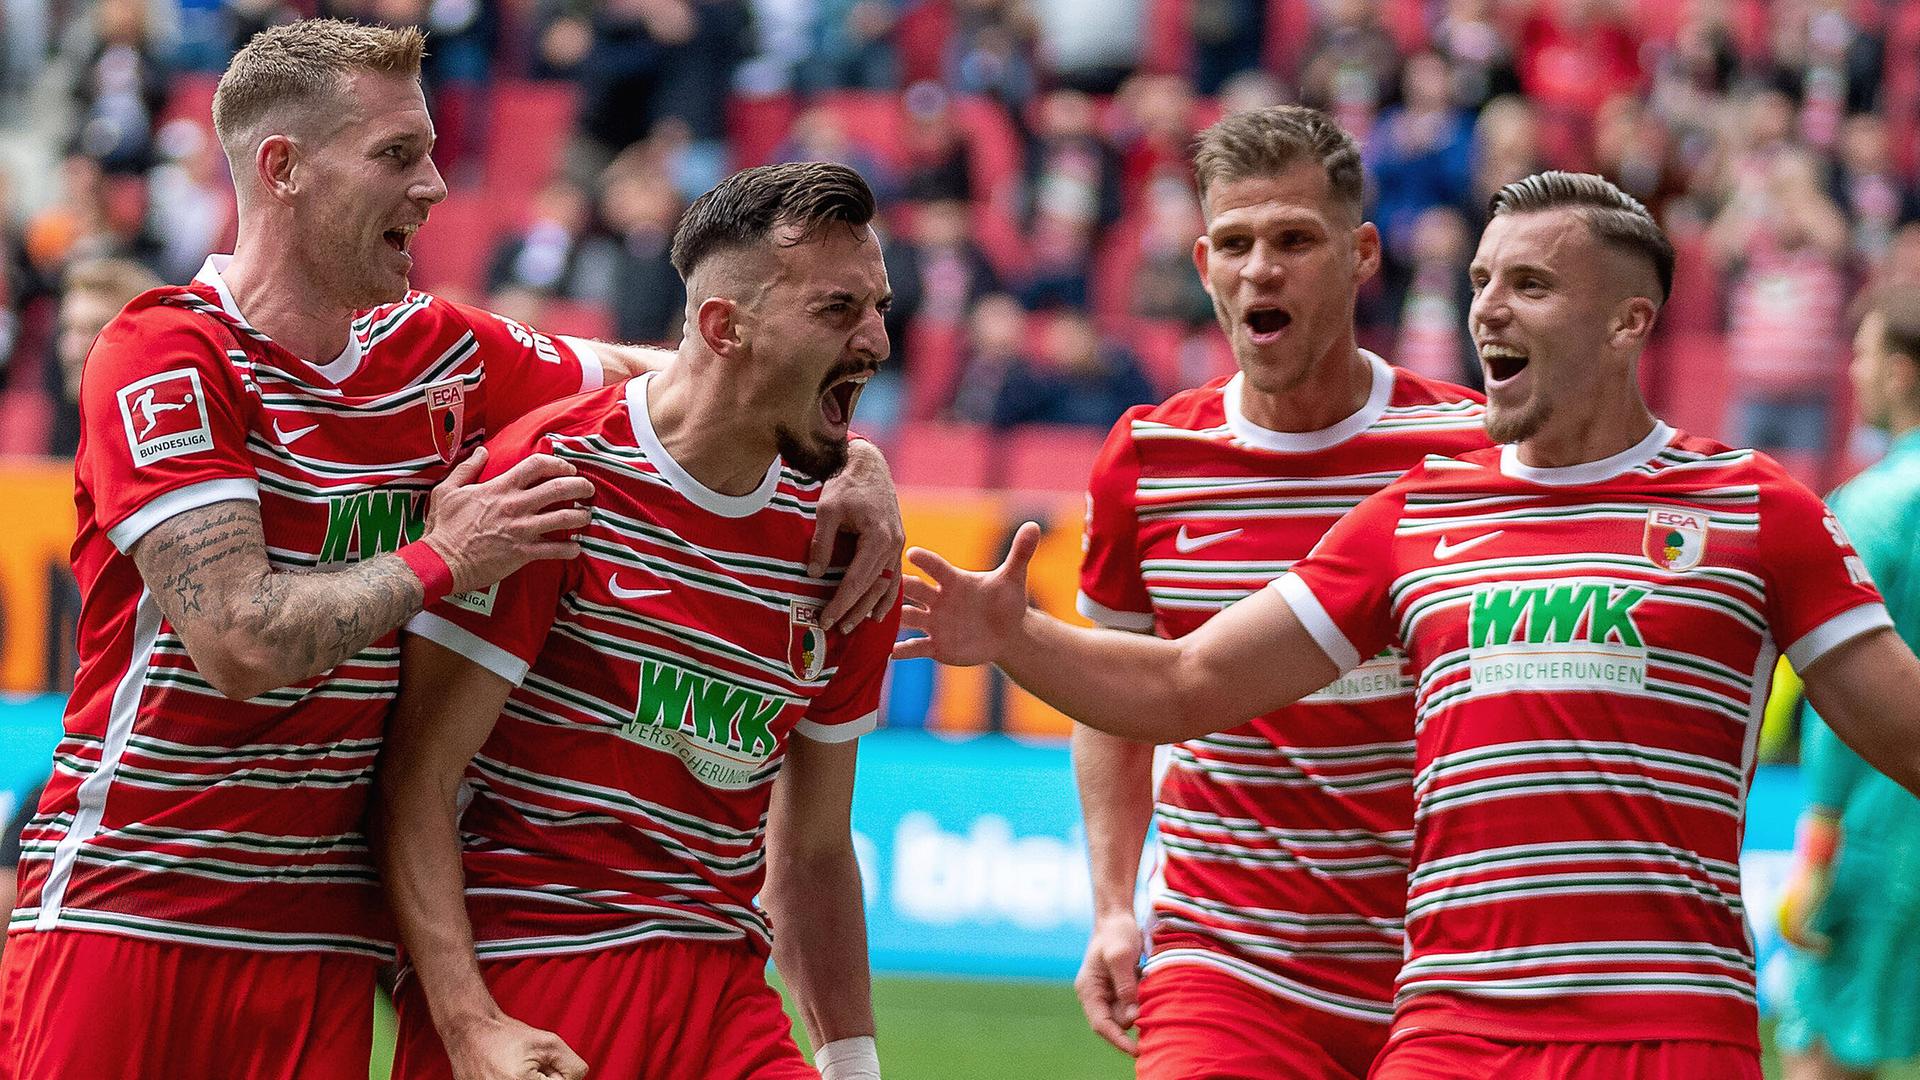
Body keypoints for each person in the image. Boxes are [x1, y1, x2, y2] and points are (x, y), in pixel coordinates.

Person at [0, 21, 901, 1080]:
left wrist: (848, 453)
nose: (432, 186)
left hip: (324, 940)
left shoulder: (440, 352)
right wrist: (444, 559)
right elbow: (240, 641)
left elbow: (690, 375)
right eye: (396, 155)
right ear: (282, 169)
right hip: (134, 908)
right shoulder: (166, 352)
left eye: (431, 153)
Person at [899, 171, 1920, 1078]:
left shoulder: (1755, 509)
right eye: (1481, 281)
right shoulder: (1415, 515)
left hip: (1667, 1029)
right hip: (1449, 1033)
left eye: (1531, 285)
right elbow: (1186, 685)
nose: (1488, 309)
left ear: (1628, 323)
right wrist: (1016, 639)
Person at [378, 160, 898, 1080]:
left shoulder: (848, 541)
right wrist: (468, 1026)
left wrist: (855, 1068)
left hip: (725, 993)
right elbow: (417, 781)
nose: (879, 340)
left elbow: (815, 850)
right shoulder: (550, 485)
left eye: (879, 308)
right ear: (722, 327)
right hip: (536, 979)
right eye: (837, 309)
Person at [1070, 105, 1488, 1080]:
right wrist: (1114, 906)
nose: (1262, 269)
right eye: (1237, 244)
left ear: (1362, 254)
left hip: (1443, 973)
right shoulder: (1148, 459)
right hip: (1224, 964)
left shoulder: (1471, 456)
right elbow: (1114, 701)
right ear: (1204, 263)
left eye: (1296, 240)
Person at [1776, 290, 1920, 1080]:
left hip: (1880, 817)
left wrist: (1820, 841)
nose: (1853, 373)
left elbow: (1843, 695)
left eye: (1861, 356)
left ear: (1900, 373)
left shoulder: (1874, 503)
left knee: (1820, 1049)